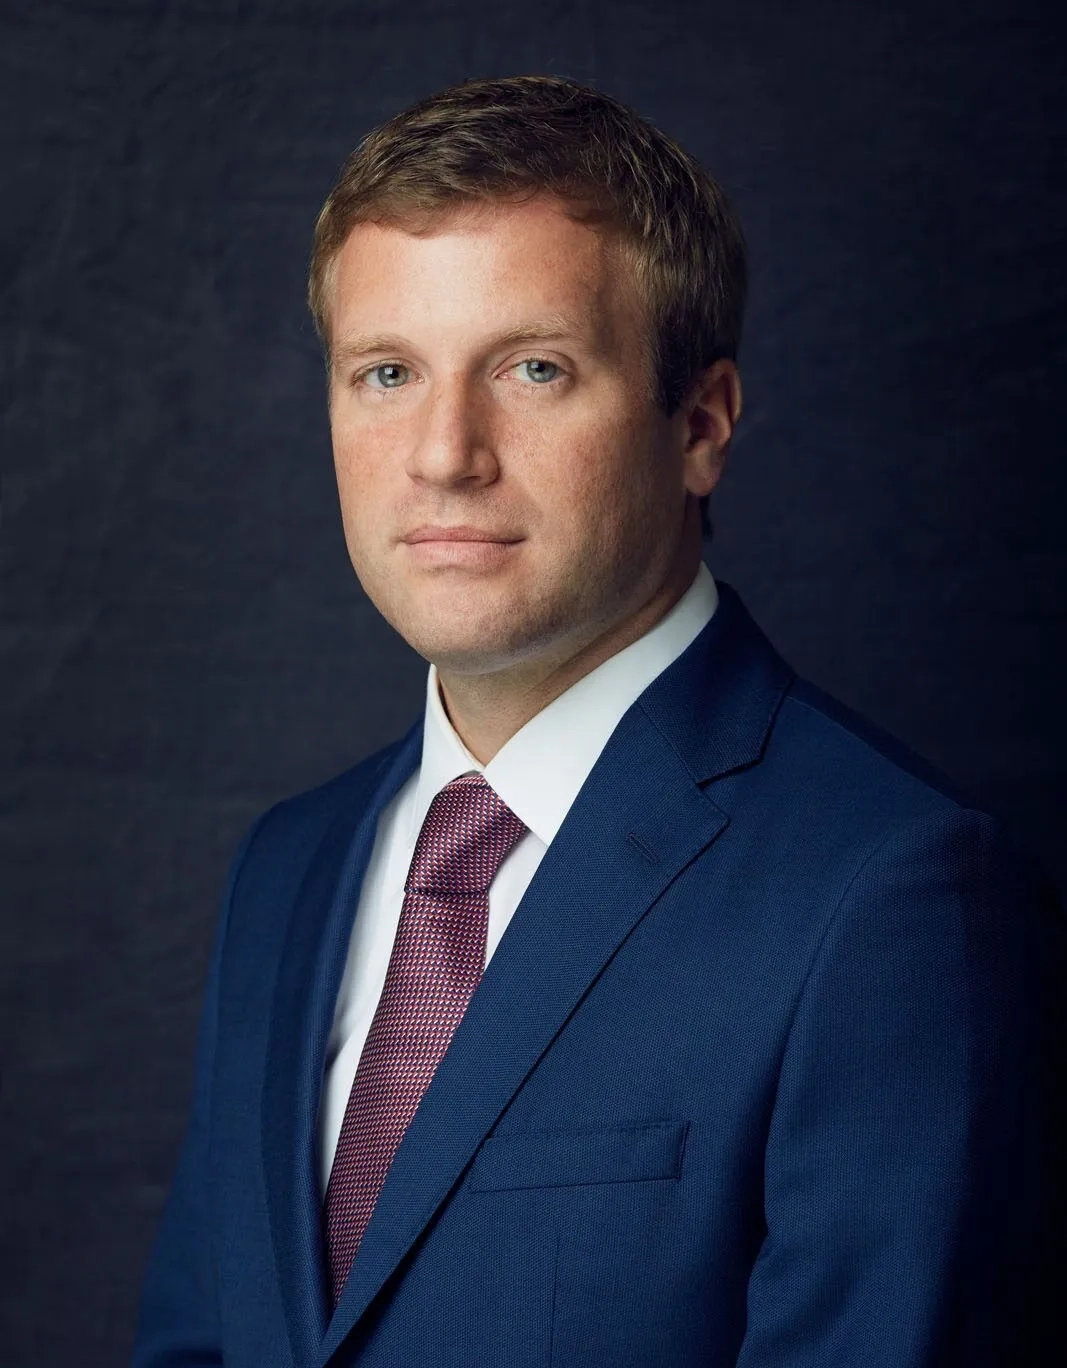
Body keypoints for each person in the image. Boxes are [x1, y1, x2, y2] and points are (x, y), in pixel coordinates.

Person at [132, 75, 1062, 1367]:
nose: (444, 453)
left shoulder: (890, 892)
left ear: (700, 425)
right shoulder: (287, 870)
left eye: (535, 368)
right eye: (387, 372)